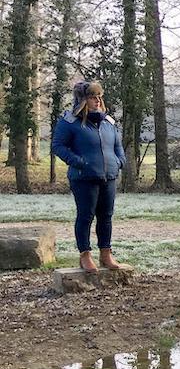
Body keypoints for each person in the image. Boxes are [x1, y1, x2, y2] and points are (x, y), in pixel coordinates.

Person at [52, 81, 127, 272]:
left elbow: (117, 145)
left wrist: (119, 161)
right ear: (83, 100)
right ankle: (85, 255)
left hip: (108, 176)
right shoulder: (69, 122)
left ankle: (106, 253)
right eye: (93, 97)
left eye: (100, 97)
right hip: (83, 178)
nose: (98, 101)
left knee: (106, 217)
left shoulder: (108, 123)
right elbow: (58, 146)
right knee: (85, 217)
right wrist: (78, 162)